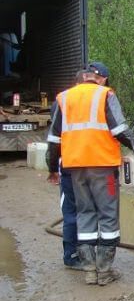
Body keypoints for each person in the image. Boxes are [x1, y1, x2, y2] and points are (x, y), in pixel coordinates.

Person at [47, 61, 134, 285]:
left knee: (85, 214)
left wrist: (53, 168)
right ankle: (105, 271)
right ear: (98, 79)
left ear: (82, 78)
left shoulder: (64, 98)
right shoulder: (105, 95)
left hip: (75, 168)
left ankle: (90, 270)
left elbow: (54, 139)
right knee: (108, 215)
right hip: (102, 166)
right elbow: (119, 129)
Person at [46, 69, 84, 270]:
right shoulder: (98, 100)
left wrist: (52, 168)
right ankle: (84, 254)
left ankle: (72, 255)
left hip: (69, 164)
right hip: (93, 166)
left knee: (71, 212)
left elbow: (54, 139)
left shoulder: (61, 102)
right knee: (88, 211)